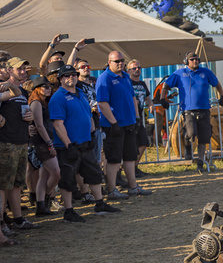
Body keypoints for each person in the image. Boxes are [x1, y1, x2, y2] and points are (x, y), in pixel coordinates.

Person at [51, 65, 121, 223]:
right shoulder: (58, 97)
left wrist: (91, 133)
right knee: (68, 180)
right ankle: (69, 211)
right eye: (67, 76)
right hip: (69, 146)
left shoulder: (81, 93)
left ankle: (100, 203)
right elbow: (57, 124)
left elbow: (88, 114)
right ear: (60, 79)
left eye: (73, 75)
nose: (71, 78)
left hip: (85, 143)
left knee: (94, 174)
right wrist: (68, 145)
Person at [96, 51, 152, 197]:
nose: (120, 63)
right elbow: (102, 103)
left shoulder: (126, 77)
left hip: (129, 123)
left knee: (130, 156)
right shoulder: (104, 78)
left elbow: (133, 98)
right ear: (109, 62)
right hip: (113, 125)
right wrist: (113, 122)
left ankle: (133, 187)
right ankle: (112, 190)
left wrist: (137, 117)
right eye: (116, 61)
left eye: (122, 61)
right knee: (114, 158)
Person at [161, 52, 223, 173]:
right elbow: (166, 85)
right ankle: (187, 147)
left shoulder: (205, 72)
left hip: (204, 109)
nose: (195, 61)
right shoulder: (179, 73)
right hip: (188, 110)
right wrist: (163, 98)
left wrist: (222, 95)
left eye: (197, 59)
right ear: (186, 61)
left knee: (204, 137)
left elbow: (216, 83)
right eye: (192, 59)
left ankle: (200, 162)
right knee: (191, 133)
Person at [0, 58, 37, 232]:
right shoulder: (2, 87)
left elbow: (24, 113)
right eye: (18, 69)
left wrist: (30, 119)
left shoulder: (22, 90)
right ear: (9, 70)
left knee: (16, 185)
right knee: (3, 185)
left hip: (21, 141)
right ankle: (2, 224)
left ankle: (18, 219)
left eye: (24, 69)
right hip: (6, 142)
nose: (23, 72)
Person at [27, 76, 60, 216]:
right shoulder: (35, 103)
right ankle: (46, 199)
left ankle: (41, 205)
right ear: (37, 89)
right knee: (56, 173)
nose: (49, 89)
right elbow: (39, 126)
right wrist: (49, 144)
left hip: (47, 140)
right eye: (45, 86)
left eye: (49, 86)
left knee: (45, 174)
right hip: (41, 142)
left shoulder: (45, 102)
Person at [126, 59, 153, 177]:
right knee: (130, 145)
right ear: (128, 71)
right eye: (134, 68)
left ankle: (135, 167)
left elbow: (147, 97)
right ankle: (128, 169)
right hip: (128, 117)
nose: (137, 70)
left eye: (139, 68)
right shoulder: (127, 83)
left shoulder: (142, 84)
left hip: (139, 117)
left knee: (144, 142)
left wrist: (151, 104)